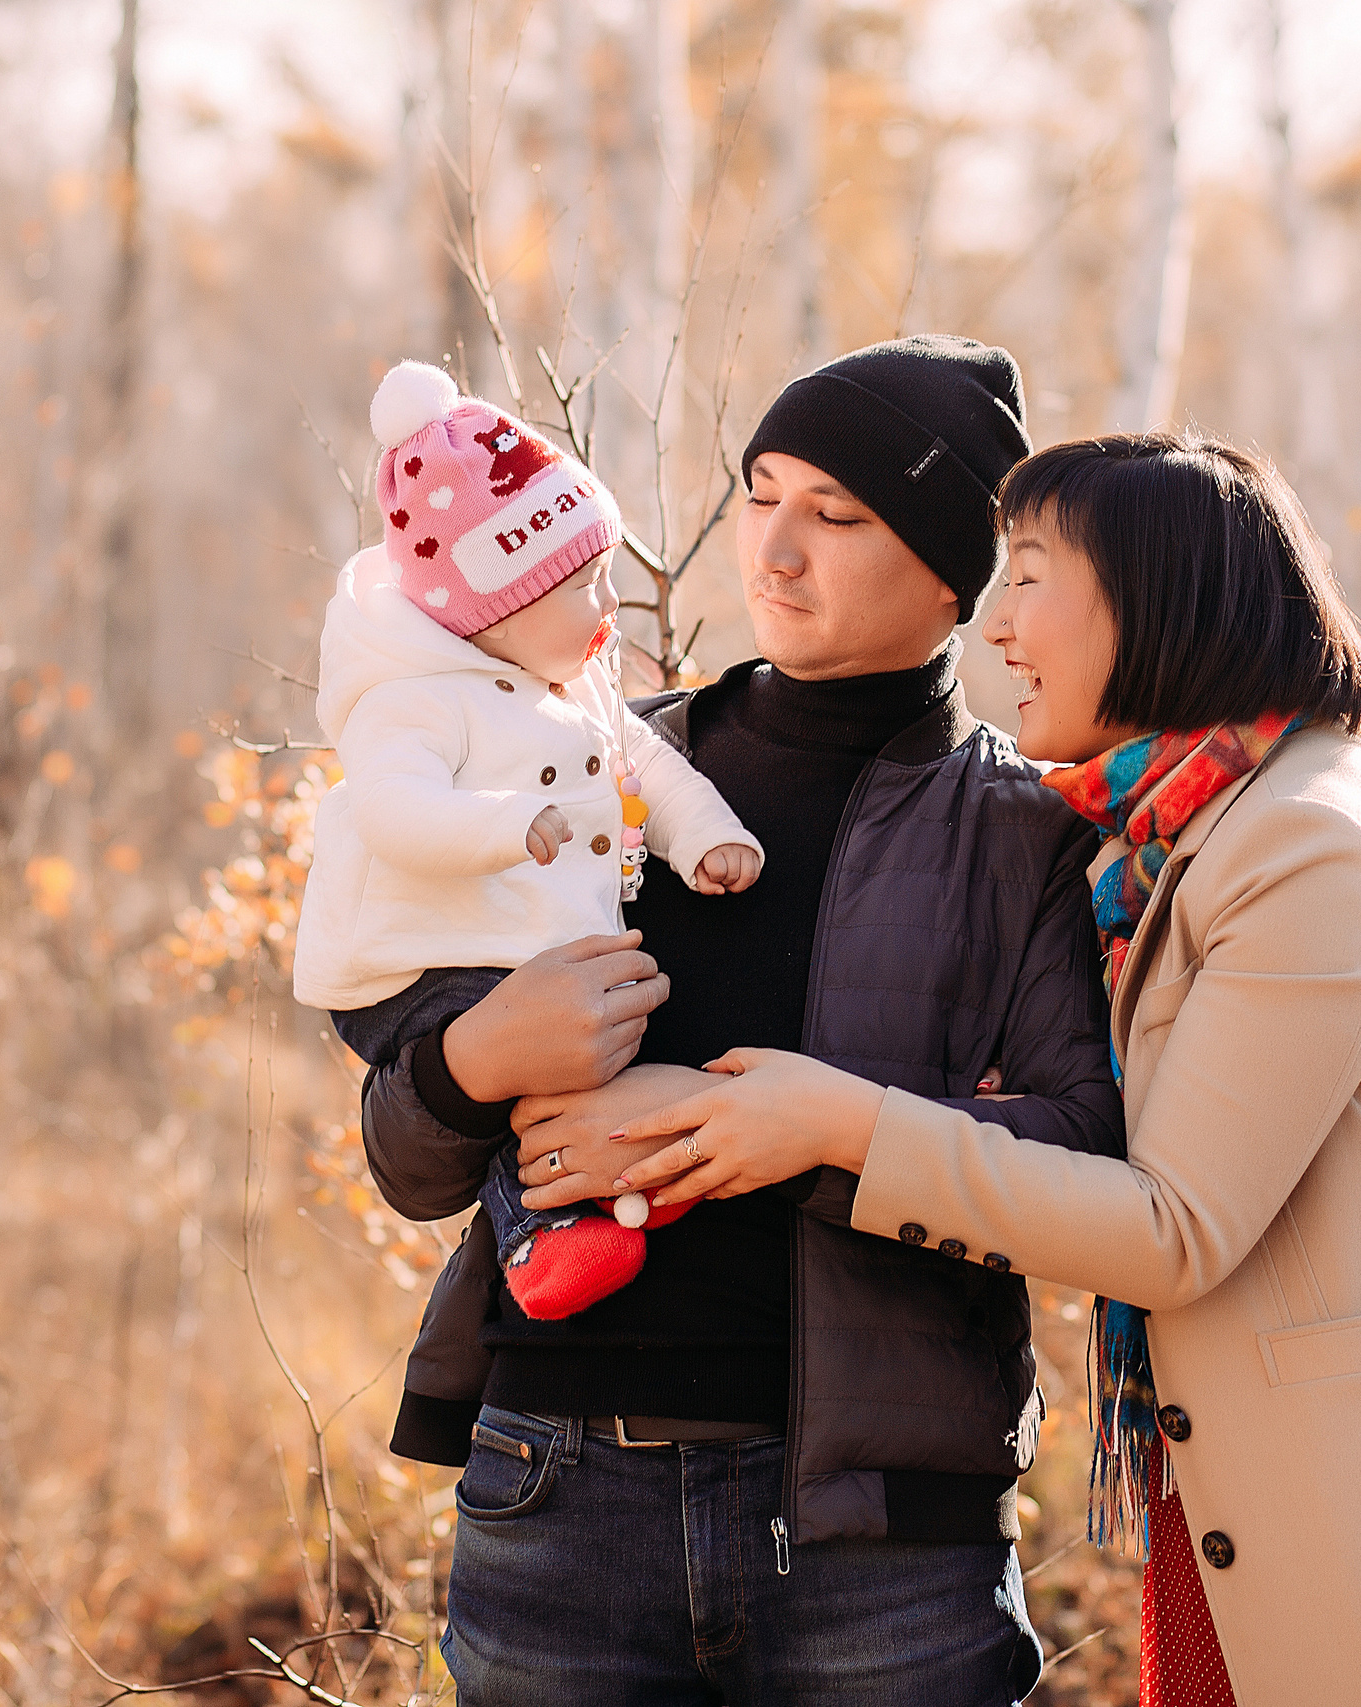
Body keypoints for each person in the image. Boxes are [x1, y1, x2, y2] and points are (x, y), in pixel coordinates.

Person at [542, 433, 1361, 1706]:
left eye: (1027, 577)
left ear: (1155, 595)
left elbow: (1173, 1226)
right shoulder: (1189, 834)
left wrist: (837, 1123)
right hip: (1292, 1491)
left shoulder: (1305, 847)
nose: (997, 624)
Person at [350, 336, 1125, 1705]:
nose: (772, 548)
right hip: (556, 1495)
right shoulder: (595, 767)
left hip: (882, 1544)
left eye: (836, 515)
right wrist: (476, 1058)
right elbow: (408, 1158)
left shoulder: (1023, 833)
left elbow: (1083, 1152)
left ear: (952, 577)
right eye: (761, 494)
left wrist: (766, 1132)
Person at [295, 361, 763, 1322]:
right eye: (585, 586)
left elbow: (642, 760)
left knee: (593, 1033)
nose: (610, 607)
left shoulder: (568, 682)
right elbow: (393, 811)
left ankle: (609, 1191)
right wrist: (505, 823)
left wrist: (703, 834)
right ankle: (537, 1230)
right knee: (552, 1057)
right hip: (415, 962)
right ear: (498, 605)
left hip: (504, 945)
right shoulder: (410, 700)